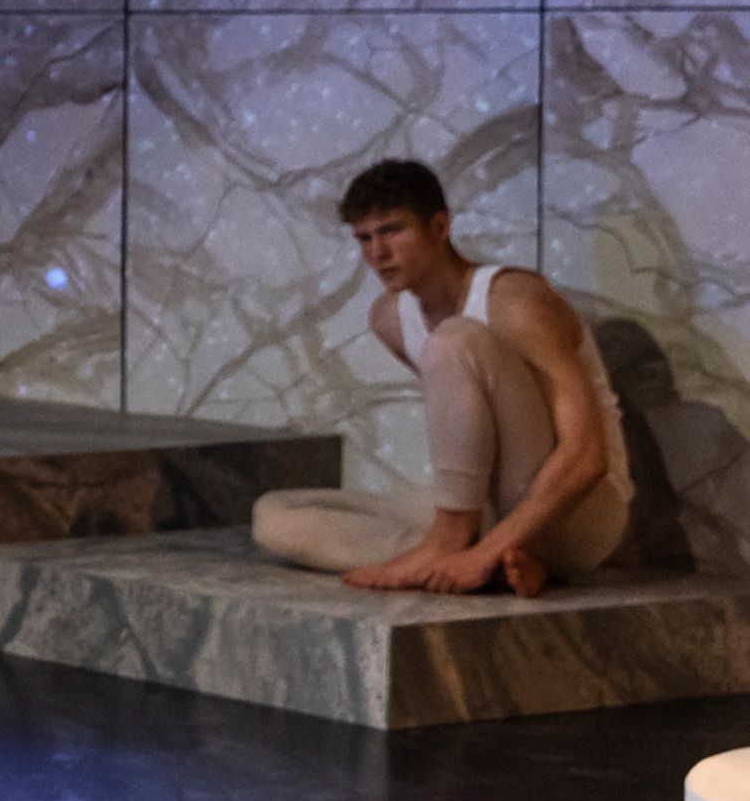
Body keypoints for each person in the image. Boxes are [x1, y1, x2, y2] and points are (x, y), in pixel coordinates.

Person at [252, 158, 633, 593]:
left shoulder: (516, 301)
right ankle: (490, 563)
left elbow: (587, 456)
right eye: (364, 238)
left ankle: (464, 549)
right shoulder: (389, 319)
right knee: (276, 516)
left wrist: (480, 546)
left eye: (393, 230)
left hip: (578, 514)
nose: (378, 253)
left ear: (439, 228)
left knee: (455, 339)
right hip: (491, 509)